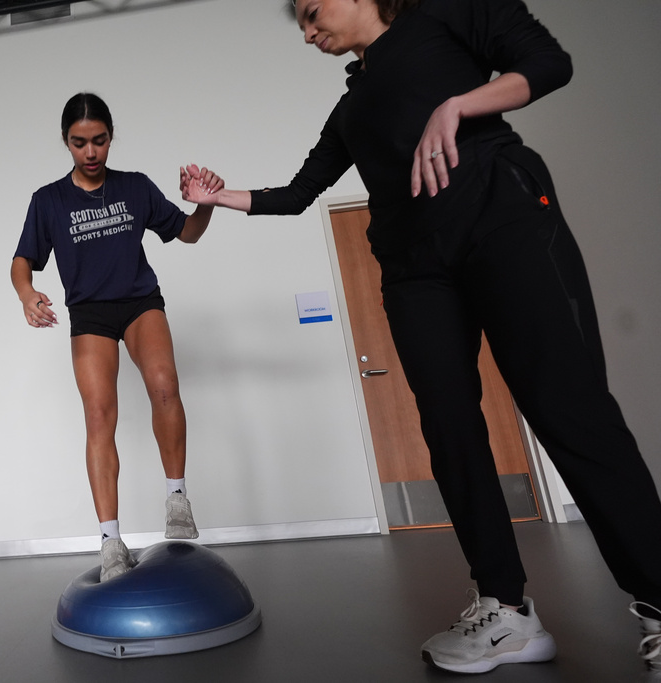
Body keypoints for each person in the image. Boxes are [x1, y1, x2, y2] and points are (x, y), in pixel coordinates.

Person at [181, 0, 661, 674]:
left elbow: (549, 63)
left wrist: (460, 105)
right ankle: (506, 609)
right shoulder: (351, 110)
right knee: (449, 431)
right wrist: (219, 195)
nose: (307, 29)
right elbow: (296, 193)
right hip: (414, 271)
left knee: (569, 408)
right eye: (299, 22)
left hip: (503, 215)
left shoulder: (445, 15)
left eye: (312, 12)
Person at [11, 93, 224, 582]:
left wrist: (206, 205)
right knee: (98, 413)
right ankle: (110, 540)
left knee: (165, 385)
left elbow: (187, 232)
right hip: (89, 313)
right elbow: (23, 259)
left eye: (100, 141)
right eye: (79, 143)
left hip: (139, 302)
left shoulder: (135, 187)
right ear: (66, 142)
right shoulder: (48, 200)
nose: (91, 152)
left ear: (111, 137)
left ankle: (177, 498)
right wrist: (27, 294)